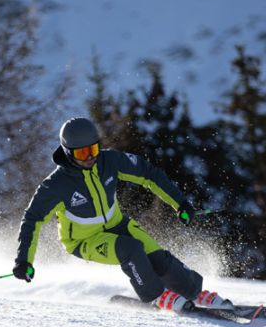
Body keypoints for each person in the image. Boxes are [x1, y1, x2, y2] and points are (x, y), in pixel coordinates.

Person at [12, 117, 232, 313]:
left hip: (118, 224)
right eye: (81, 153)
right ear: (68, 152)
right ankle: (155, 295)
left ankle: (193, 292)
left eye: (93, 150)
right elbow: (32, 220)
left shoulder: (110, 161)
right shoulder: (55, 186)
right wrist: (24, 261)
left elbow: (149, 174)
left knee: (157, 256)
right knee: (131, 250)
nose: (89, 157)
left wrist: (180, 204)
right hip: (84, 240)